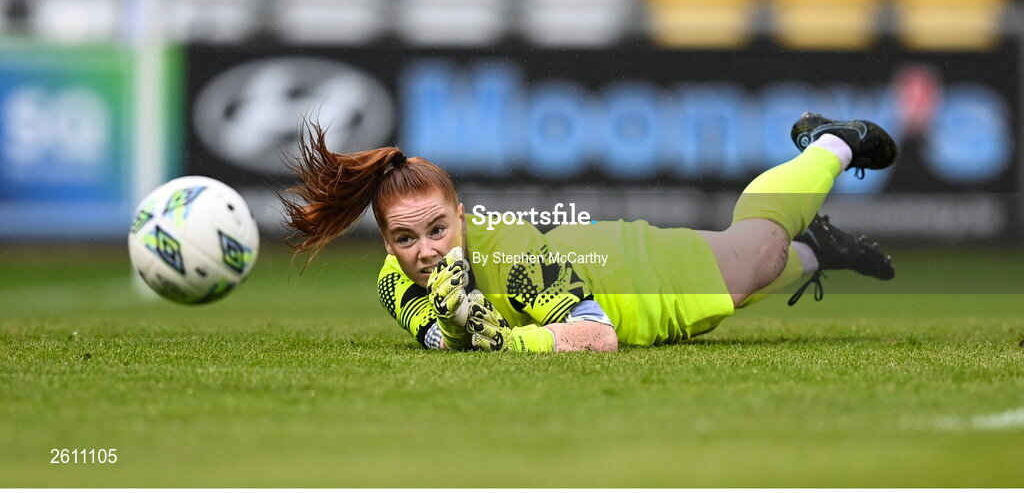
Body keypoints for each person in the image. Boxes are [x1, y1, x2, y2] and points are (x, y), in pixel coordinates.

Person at [282, 113, 897, 353]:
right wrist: (457, 327)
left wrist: (501, 342)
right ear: (387, 244)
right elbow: (443, 340)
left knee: (758, 253)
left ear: (462, 216)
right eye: (406, 239)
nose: (427, 252)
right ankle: (819, 250)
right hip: (606, 278)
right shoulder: (396, 287)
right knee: (744, 285)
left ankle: (834, 144)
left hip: (633, 271)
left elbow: (597, 336)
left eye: (439, 229)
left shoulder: (514, 257)